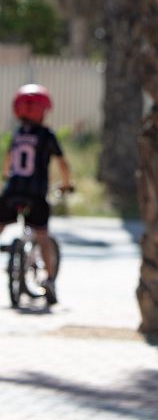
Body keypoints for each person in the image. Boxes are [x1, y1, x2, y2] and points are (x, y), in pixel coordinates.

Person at [0, 84, 73, 304]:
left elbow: (8, 162)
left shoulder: (18, 133)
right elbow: (63, 164)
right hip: (36, 193)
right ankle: (49, 280)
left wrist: (6, 176)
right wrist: (67, 184)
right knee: (42, 236)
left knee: (1, 224)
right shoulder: (46, 134)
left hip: (12, 190)